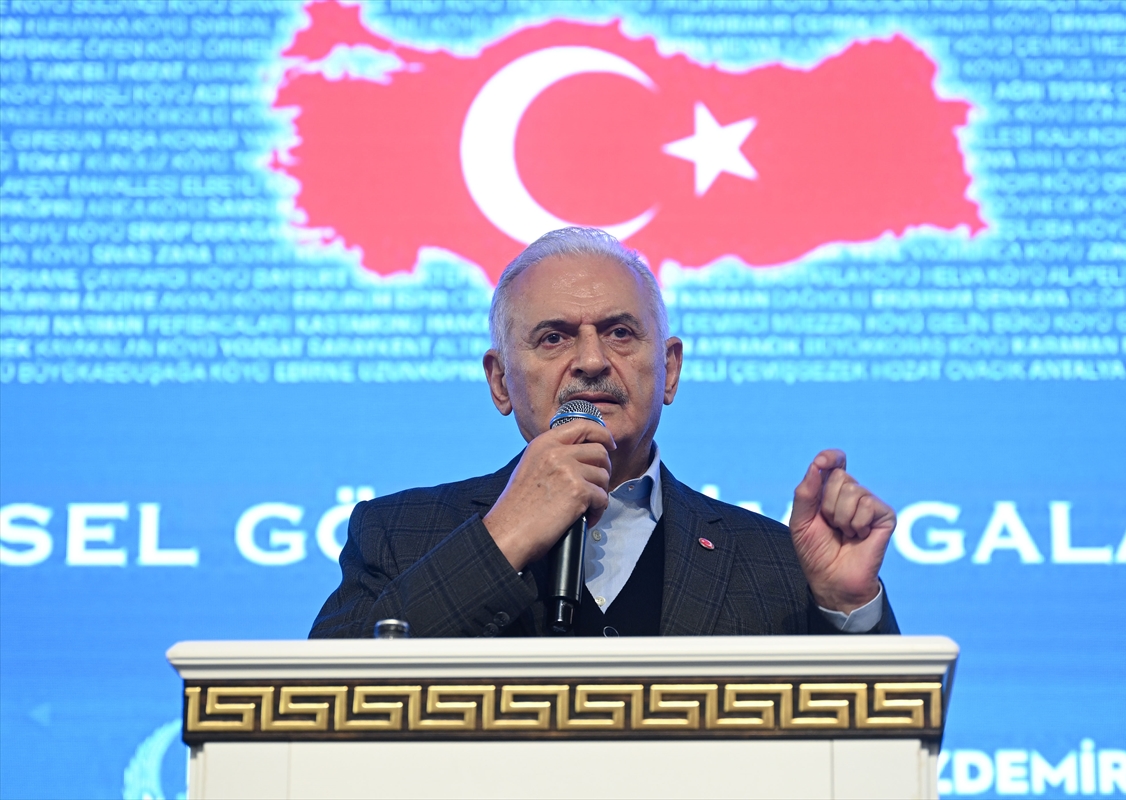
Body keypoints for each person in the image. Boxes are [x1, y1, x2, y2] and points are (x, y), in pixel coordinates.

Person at [311, 227, 899, 638]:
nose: (592, 361)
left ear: (669, 370)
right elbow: (324, 709)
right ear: (500, 381)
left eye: (620, 333)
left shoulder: (777, 561)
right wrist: (505, 535)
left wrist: (847, 608)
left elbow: (873, 756)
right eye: (554, 338)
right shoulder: (397, 535)